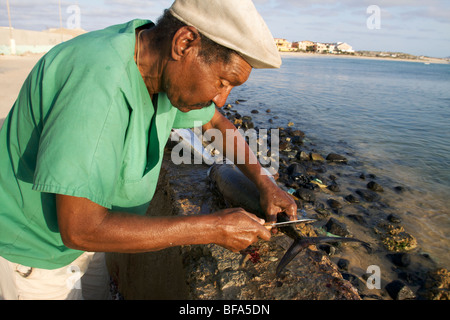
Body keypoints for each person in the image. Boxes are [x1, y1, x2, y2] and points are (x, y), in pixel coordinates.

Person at [0, 0, 297, 300]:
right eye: (222, 81)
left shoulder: (152, 62)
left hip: (88, 248)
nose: (221, 98)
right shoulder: (98, 82)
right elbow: (79, 227)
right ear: (184, 43)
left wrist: (264, 183)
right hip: (34, 258)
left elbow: (216, 124)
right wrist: (213, 228)